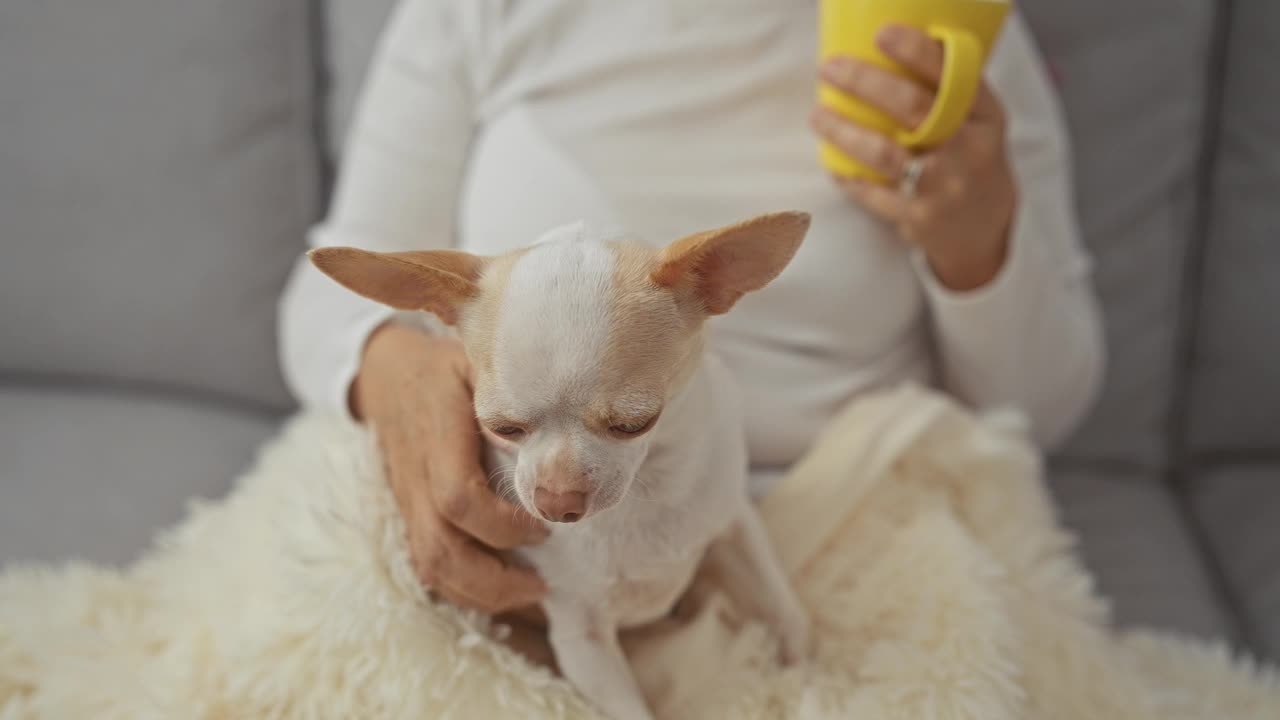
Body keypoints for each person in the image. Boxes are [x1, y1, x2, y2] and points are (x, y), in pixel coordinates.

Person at [279, 0, 1103, 621]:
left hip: (854, 519)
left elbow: (1037, 415)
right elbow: (326, 293)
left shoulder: (944, 29)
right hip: (543, 528)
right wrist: (402, 376)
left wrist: (978, 243)